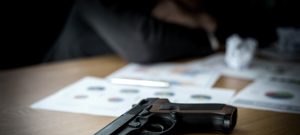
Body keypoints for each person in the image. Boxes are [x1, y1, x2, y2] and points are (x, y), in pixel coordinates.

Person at [44, 0, 280, 64]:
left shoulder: (185, 8)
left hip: (115, 75)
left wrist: (202, 20)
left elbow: (262, 31)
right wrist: (210, 36)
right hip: (53, 83)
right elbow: (146, 45)